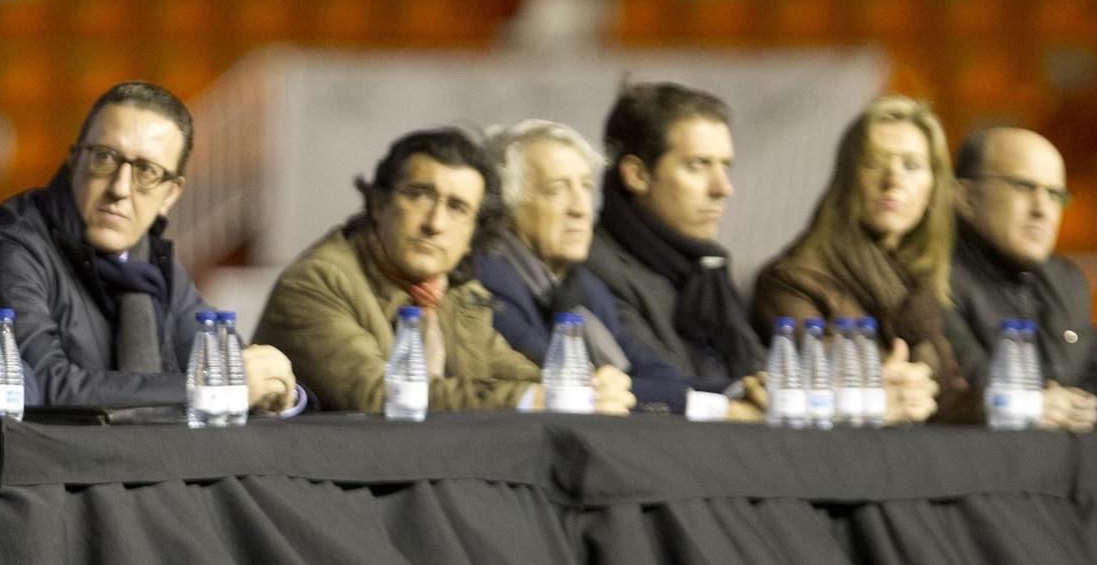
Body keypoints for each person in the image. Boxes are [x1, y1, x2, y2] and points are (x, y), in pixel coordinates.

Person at [0, 81, 300, 411]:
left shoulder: (149, 263)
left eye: (147, 171)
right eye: (105, 158)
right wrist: (216, 386)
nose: (121, 188)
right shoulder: (10, 248)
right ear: (75, 160)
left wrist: (276, 388)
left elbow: (224, 362)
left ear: (170, 194)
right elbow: (40, 386)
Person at [256, 127, 634, 415]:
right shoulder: (319, 281)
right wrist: (534, 398)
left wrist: (582, 388)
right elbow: (380, 394)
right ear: (378, 204)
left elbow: (504, 370)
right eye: (419, 195)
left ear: (472, 234)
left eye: (457, 208)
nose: (435, 223)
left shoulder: (455, 291)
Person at [476, 120, 759, 420]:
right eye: (556, 189)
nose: (580, 208)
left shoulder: (582, 284)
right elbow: (566, 383)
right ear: (505, 209)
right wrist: (720, 408)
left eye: (585, 187)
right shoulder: (489, 278)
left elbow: (651, 371)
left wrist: (741, 389)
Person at [751, 95, 952, 423]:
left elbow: (955, 398)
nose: (893, 180)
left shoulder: (924, 290)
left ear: (933, 187)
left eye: (911, 165)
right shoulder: (791, 280)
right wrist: (876, 391)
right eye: (874, 162)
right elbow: (822, 392)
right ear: (846, 178)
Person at [586, 81, 767, 391]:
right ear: (638, 175)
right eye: (698, 165)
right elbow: (661, 389)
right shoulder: (596, 267)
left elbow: (757, 372)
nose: (722, 188)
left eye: (725, 166)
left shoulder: (708, 268)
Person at [945, 127, 1097, 429]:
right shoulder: (934, 278)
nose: (1042, 209)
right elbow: (966, 386)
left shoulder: (1066, 280)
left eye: (1055, 194)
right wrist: (1032, 405)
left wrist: (1086, 407)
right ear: (965, 197)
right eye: (1023, 186)